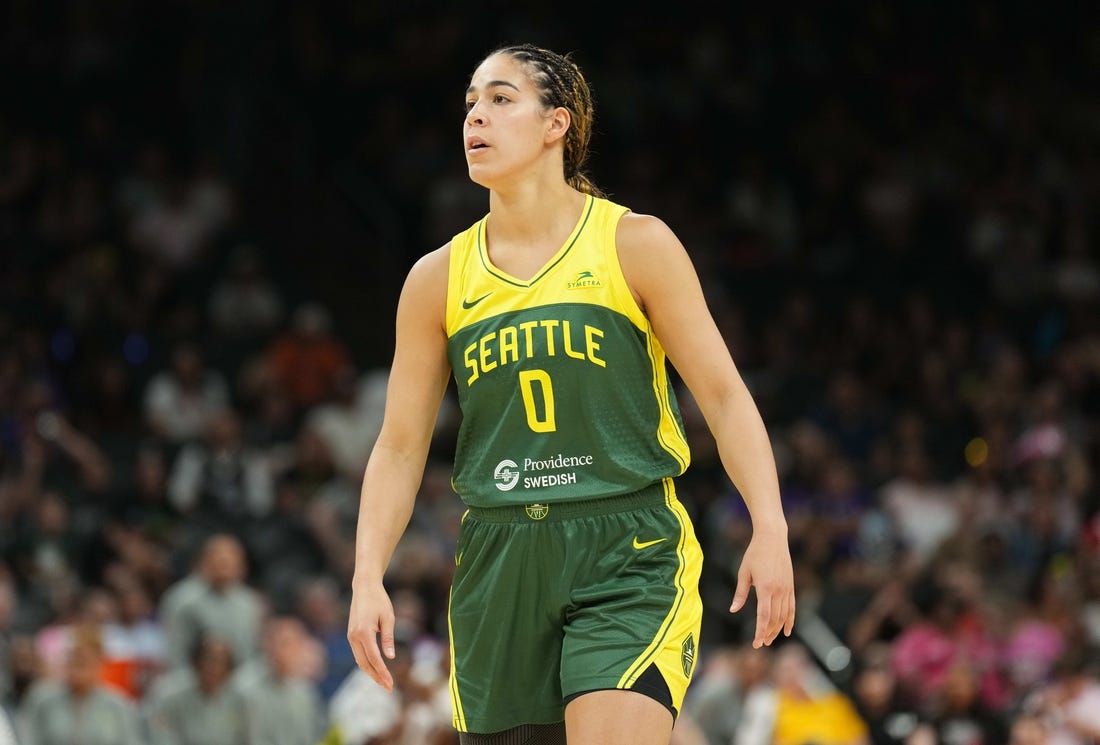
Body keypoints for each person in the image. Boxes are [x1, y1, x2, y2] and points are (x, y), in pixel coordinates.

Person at [347, 43, 795, 745]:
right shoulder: (436, 278)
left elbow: (725, 397)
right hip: (499, 557)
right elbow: (401, 445)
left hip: (626, 546)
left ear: (556, 124)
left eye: (500, 99)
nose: (475, 116)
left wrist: (769, 525)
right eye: (469, 102)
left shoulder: (634, 244)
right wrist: (367, 573)